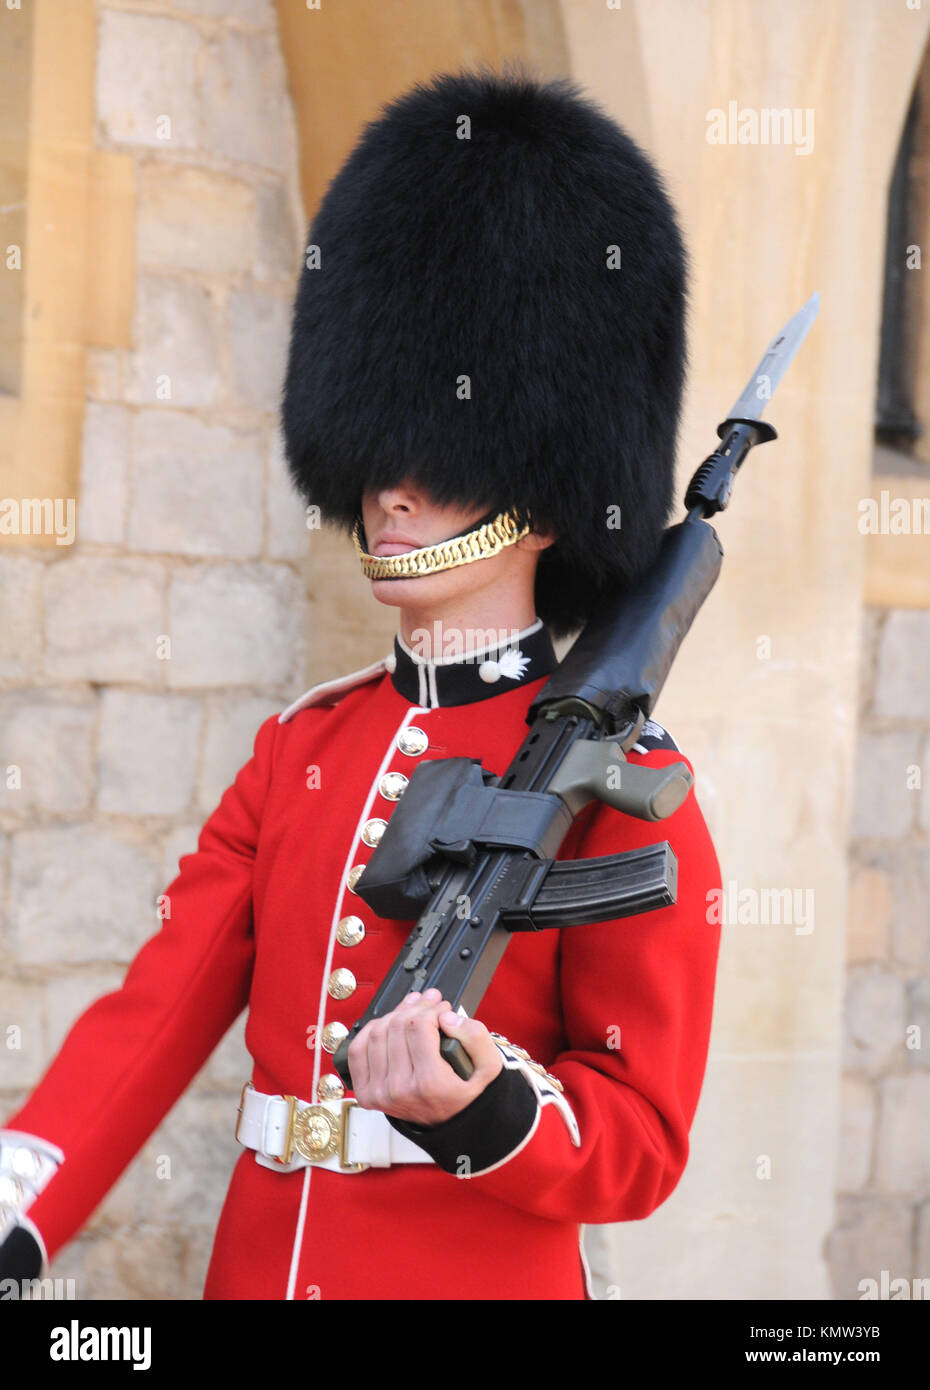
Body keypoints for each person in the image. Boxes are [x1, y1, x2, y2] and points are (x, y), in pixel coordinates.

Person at [0, 69, 722, 1300]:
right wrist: (21, 1200)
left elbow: (640, 1139)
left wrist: (487, 1103)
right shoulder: (303, 747)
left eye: (440, 465)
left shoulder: (628, 785)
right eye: (379, 455)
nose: (393, 493)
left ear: (538, 494)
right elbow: (154, 1014)